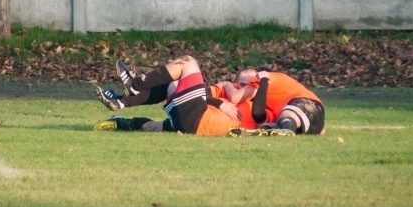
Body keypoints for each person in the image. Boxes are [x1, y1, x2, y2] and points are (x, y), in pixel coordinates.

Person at [94, 56, 267, 136]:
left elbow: (267, 121)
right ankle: (121, 107)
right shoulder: (226, 90)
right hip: (190, 120)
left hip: (196, 120)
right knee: (174, 85)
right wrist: (221, 102)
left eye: (251, 84)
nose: (246, 88)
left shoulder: (259, 108)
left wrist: (264, 81)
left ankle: (134, 86)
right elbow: (203, 95)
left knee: (188, 62)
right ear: (236, 83)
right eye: (242, 84)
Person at [226, 68, 325, 136]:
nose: (247, 87)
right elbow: (260, 116)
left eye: (249, 84)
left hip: (304, 103)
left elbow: (235, 98)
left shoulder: (260, 78)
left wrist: (226, 84)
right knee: (270, 124)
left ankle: (287, 130)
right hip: (314, 118)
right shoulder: (270, 93)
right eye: (243, 85)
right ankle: (271, 130)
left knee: (286, 116)